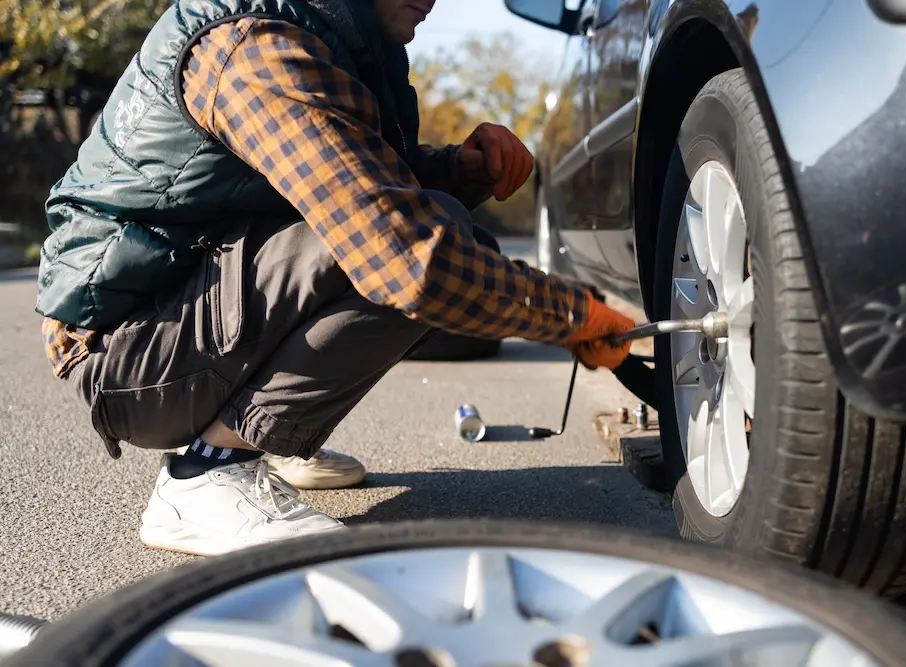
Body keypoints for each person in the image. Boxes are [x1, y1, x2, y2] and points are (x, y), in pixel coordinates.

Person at [37, 0, 635, 556]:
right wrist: (568, 315)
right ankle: (204, 474)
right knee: (419, 251)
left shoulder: (339, 38)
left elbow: (366, 183)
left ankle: (255, 437)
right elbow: (399, 252)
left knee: (445, 233)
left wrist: (459, 170)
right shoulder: (258, 48)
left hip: (177, 304)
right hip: (126, 350)